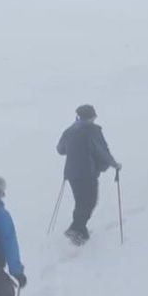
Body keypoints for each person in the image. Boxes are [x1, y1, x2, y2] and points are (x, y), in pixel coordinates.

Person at [56, 104, 121, 244]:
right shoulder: (92, 131)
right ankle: (76, 229)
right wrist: (114, 164)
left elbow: (60, 149)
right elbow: (102, 150)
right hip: (87, 173)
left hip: (72, 173)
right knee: (89, 202)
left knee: (80, 201)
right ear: (91, 117)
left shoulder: (70, 130)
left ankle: (81, 231)